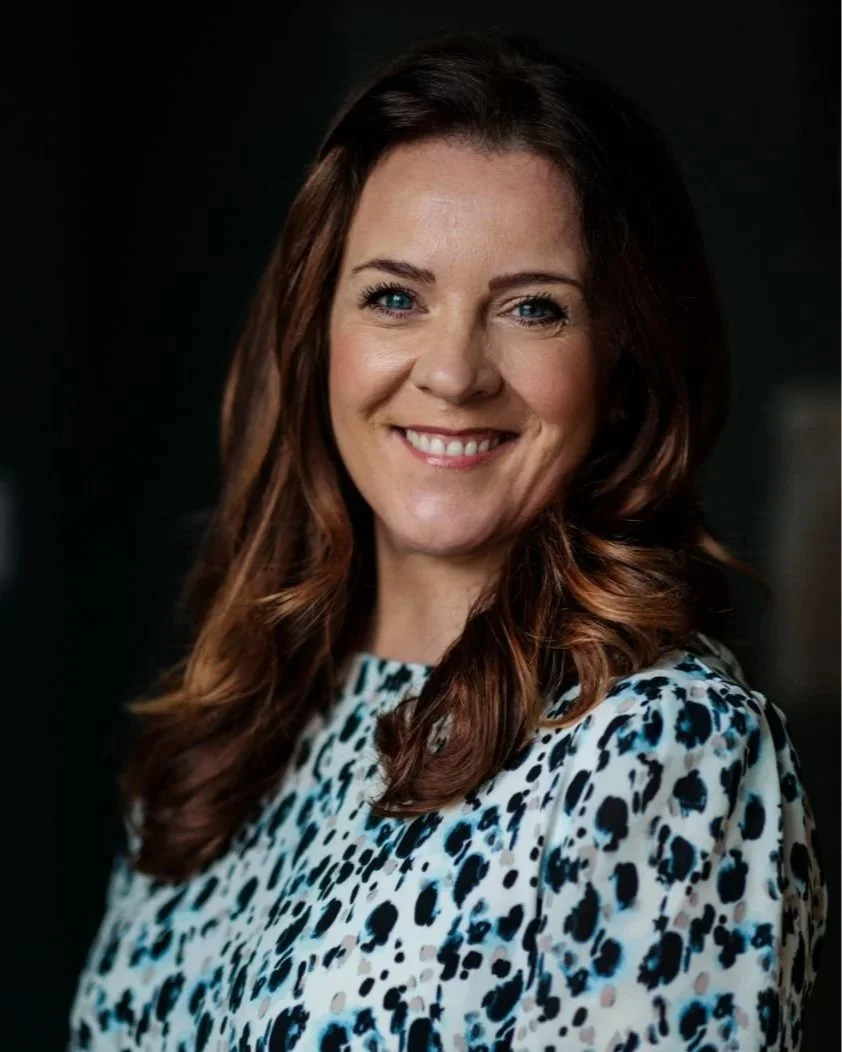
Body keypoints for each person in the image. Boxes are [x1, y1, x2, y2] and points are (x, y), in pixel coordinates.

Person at [69, 30, 826, 1052]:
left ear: (621, 362)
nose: (454, 371)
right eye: (394, 296)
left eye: (530, 307)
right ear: (317, 334)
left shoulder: (662, 752)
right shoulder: (229, 736)